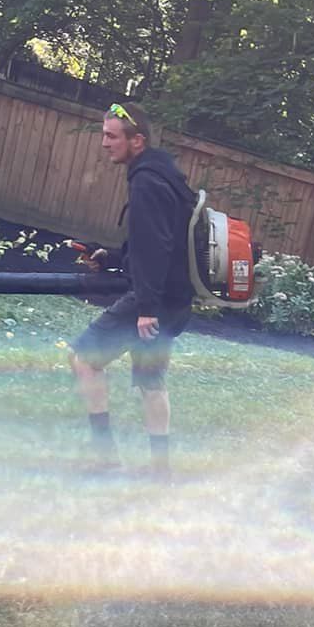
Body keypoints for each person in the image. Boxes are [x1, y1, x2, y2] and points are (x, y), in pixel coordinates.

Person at [70, 102, 197, 478]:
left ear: (136, 141)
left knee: (84, 358)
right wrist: (111, 257)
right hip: (175, 298)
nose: (104, 143)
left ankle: (106, 458)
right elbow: (156, 243)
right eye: (104, 134)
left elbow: (155, 246)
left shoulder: (146, 182)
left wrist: (146, 308)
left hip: (156, 302)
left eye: (111, 136)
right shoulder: (164, 173)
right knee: (150, 380)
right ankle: (161, 471)